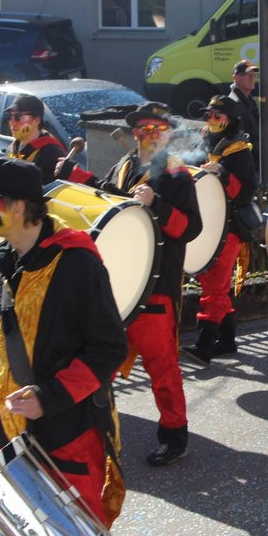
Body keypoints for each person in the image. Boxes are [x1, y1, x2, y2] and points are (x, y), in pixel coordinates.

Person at [0, 157, 126, 536]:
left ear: (17, 206)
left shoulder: (77, 264)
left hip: (67, 434)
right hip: (11, 434)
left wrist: (50, 396)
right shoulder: (6, 260)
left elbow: (109, 348)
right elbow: (2, 344)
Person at [56, 101, 202, 466]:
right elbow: (109, 197)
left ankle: (174, 436)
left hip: (155, 285)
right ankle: (97, 433)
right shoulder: (126, 165)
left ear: (167, 134)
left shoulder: (176, 173)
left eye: (156, 129)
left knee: (162, 367)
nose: (148, 135)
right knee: (97, 362)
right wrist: (78, 177)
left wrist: (158, 205)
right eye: (142, 130)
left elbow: (191, 228)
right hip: (117, 283)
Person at [184, 94, 258, 365]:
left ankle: (204, 345)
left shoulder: (239, 149)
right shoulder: (208, 140)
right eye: (209, 116)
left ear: (230, 120)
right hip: (213, 223)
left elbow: (246, 191)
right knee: (216, 285)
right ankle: (227, 340)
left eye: (217, 116)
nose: (211, 121)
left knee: (215, 286)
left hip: (231, 227)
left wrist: (222, 174)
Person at [4, 93, 66, 184]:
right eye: (9, 116)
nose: (12, 123)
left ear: (37, 120)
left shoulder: (51, 152)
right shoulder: (13, 147)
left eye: (18, 117)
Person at [228, 60, 268, 173]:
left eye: (253, 75)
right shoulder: (234, 104)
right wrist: (263, 149)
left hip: (253, 162)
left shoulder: (248, 101)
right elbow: (241, 139)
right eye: (247, 74)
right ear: (235, 77)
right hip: (245, 165)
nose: (252, 78)